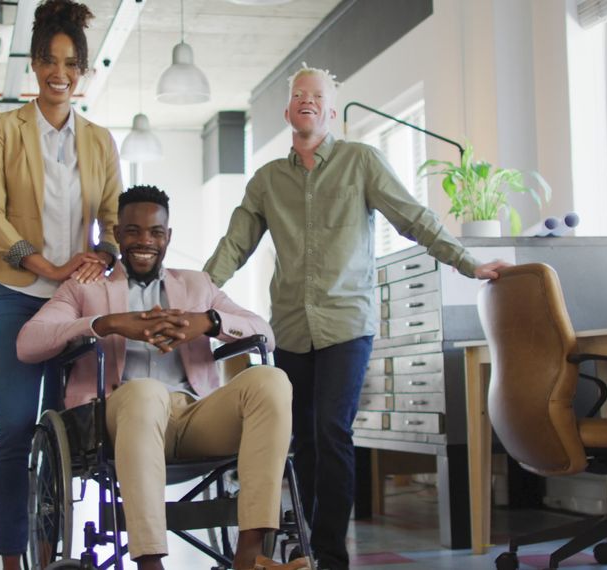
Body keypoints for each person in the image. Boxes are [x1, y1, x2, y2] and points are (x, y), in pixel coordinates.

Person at [203, 65, 509, 570]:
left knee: (331, 430)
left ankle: (329, 555)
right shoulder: (266, 181)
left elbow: (413, 217)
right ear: (287, 112)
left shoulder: (360, 161)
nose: (306, 100)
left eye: (316, 95)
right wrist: (195, 295)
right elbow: (234, 245)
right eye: (298, 94)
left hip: (346, 323)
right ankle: (302, 545)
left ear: (330, 111)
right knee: (300, 439)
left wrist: (467, 261)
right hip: (292, 328)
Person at [17, 186, 309, 570]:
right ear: (117, 234)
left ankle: (250, 557)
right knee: (146, 392)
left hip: (194, 416)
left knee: (272, 380)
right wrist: (106, 324)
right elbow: (27, 344)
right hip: (121, 417)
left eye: (155, 233)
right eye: (134, 231)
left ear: (167, 237)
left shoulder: (196, 286)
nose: (145, 242)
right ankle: (150, 563)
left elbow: (264, 332)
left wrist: (208, 322)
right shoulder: (85, 288)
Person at [0, 1, 122, 567]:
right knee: (14, 431)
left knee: (68, 434)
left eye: (71, 64)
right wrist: (45, 265)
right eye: (50, 61)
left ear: (82, 71)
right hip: (15, 295)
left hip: (72, 305)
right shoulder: (3, 129)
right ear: (34, 65)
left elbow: (112, 216)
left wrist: (102, 255)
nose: (60, 73)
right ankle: (13, 557)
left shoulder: (100, 140)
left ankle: (53, 548)